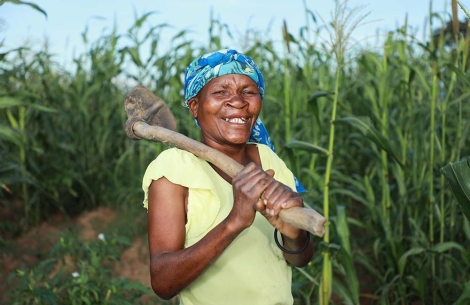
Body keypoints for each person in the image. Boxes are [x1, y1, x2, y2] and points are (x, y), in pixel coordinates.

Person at [142, 49, 313, 305]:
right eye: (221, 92)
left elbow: (300, 259)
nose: (238, 101)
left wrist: (295, 235)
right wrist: (235, 221)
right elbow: (163, 283)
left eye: (248, 91)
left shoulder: (268, 159)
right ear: (195, 106)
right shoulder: (174, 168)